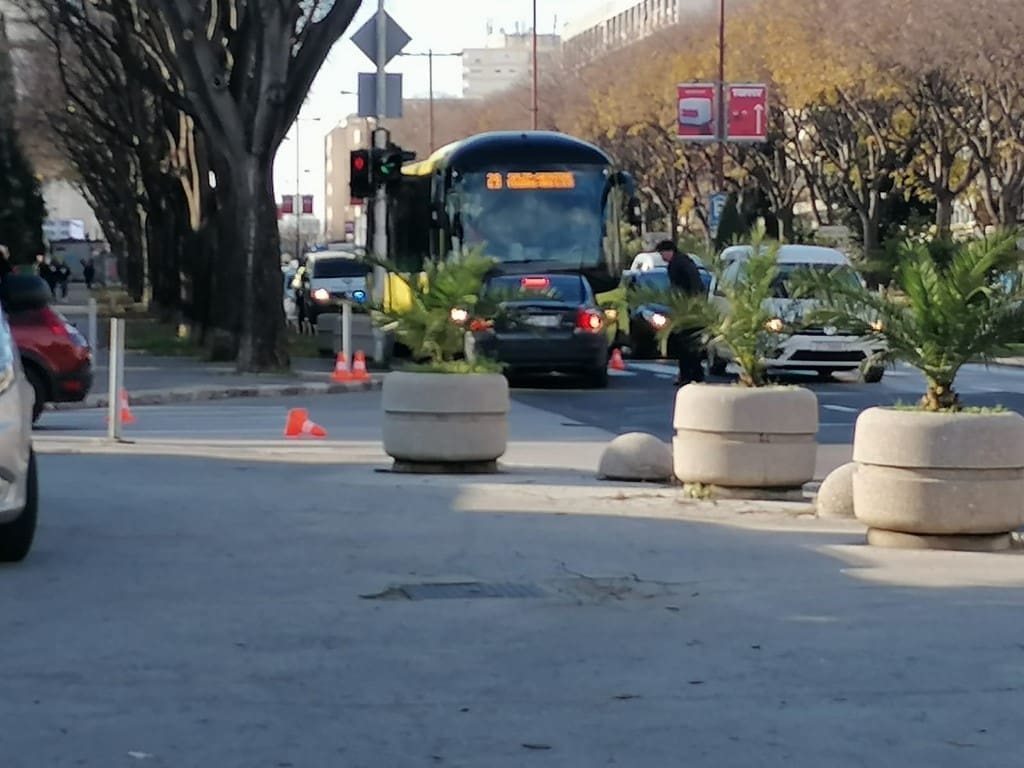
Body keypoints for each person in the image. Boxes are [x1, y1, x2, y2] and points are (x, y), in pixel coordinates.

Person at [657, 239, 706, 386]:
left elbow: (678, 289)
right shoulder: (686, 261)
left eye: (662, 254)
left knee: (684, 344)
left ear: (668, 251)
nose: (662, 258)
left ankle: (686, 375)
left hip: (685, 308)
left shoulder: (676, 265)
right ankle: (697, 373)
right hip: (695, 307)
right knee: (693, 342)